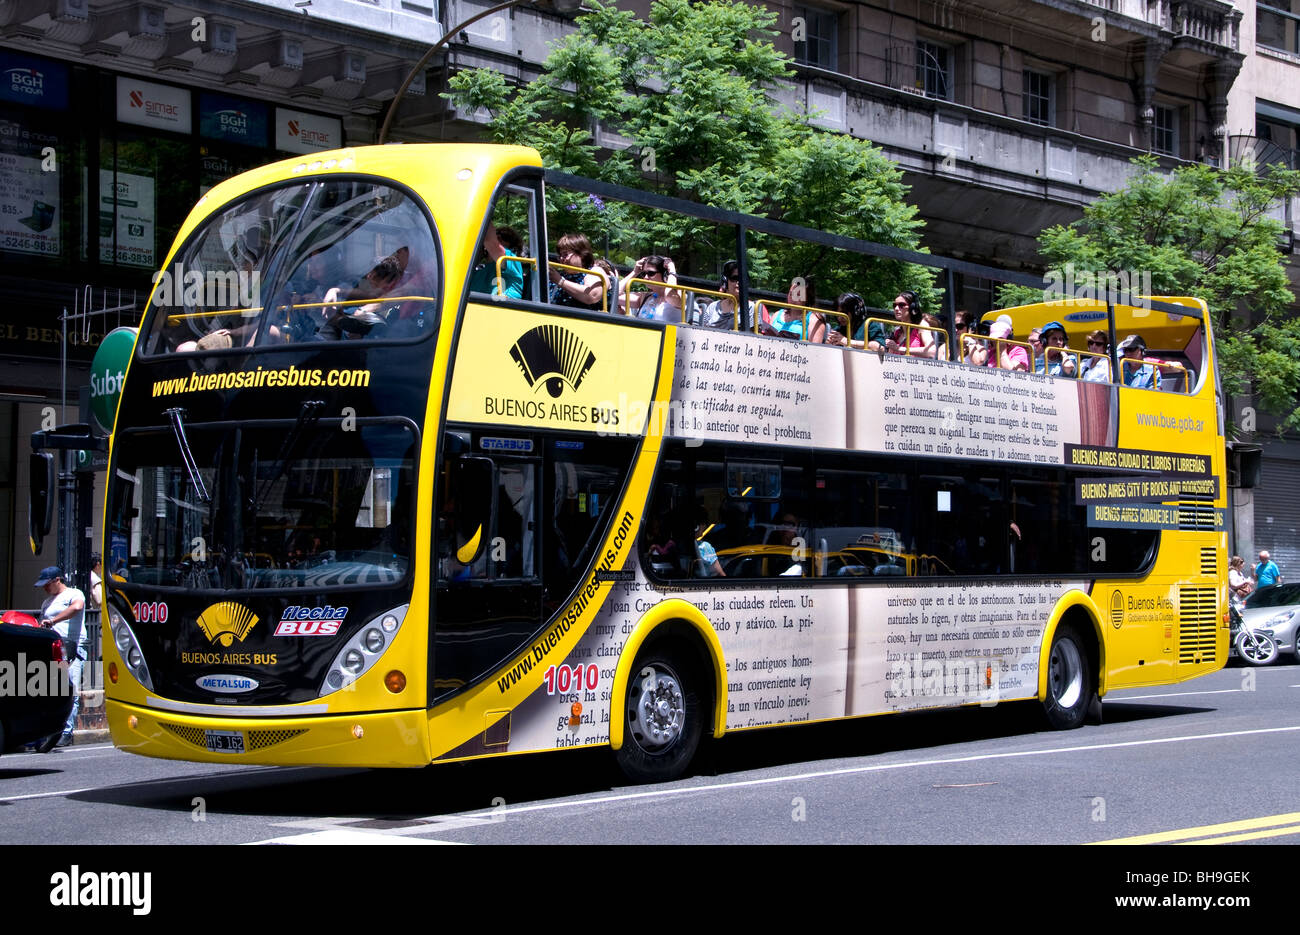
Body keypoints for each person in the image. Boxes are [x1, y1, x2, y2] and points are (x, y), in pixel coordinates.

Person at [36, 566, 87, 747]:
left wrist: (54, 620)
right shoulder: (46, 603)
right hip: (55, 650)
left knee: (70, 689)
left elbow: (77, 607)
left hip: (72, 647)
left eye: (47, 584)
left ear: (57, 580)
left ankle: (66, 731)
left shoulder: (75, 593)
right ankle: (51, 730)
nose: (44, 588)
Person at [317, 247, 410, 340]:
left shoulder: (398, 306)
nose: (370, 277)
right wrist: (335, 291)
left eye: (379, 275)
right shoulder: (358, 297)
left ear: (392, 282)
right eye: (370, 272)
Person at [548, 233, 606, 310]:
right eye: (560, 255)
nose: (562, 258)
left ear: (581, 254)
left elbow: (592, 296)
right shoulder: (557, 275)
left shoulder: (594, 271)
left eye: (565, 254)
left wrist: (560, 281)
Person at [468, 223, 525, 299]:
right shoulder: (477, 271)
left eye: (504, 237)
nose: (497, 238)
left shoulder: (513, 261)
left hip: (502, 308)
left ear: (513, 246)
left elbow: (489, 240)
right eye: (496, 235)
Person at [628, 255, 684, 322]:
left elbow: (669, 295)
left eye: (651, 273)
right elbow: (615, 295)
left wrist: (672, 271)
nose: (645, 277)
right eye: (644, 273)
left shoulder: (680, 294)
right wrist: (635, 272)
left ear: (665, 274)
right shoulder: (646, 296)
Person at [701, 260, 753, 330]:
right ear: (726, 282)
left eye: (742, 279)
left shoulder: (751, 307)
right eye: (734, 278)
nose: (738, 282)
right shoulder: (713, 307)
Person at [884, 291, 936, 357]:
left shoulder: (921, 325)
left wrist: (899, 349)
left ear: (912, 307)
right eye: (894, 305)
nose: (896, 309)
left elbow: (931, 351)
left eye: (901, 305)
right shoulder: (897, 332)